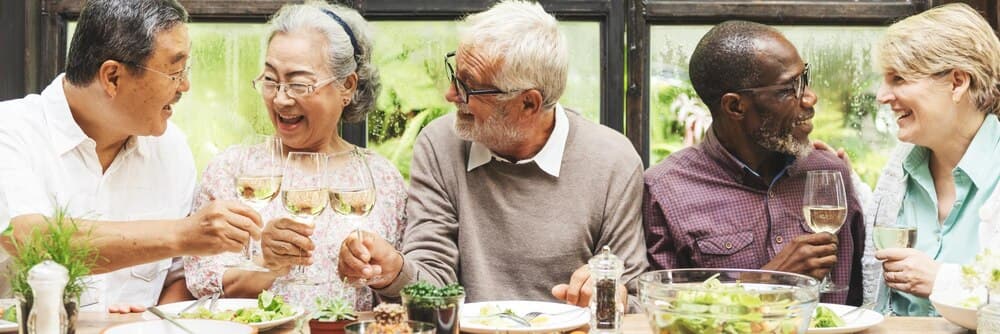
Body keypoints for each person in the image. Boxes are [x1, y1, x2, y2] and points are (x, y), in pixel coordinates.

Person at [336, 0, 648, 308]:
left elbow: (631, 297)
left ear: (528, 104)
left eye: (468, 86)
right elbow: (433, 281)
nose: (450, 94)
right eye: (455, 74)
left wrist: (608, 294)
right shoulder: (440, 144)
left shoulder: (613, 161)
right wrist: (393, 270)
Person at [0, 0, 263, 313]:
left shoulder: (171, 148)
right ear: (112, 77)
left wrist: (151, 321)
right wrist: (186, 232)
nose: (186, 85)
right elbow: (33, 240)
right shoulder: (11, 131)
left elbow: (178, 278)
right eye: (174, 71)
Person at [183, 1, 407, 310]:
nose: (280, 98)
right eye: (271, 80)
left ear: (347, 86)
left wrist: (376, 272)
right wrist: (268, 264)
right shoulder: (233, 170)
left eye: (299, 84)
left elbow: (405, 298)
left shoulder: (380, 178)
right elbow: (202, 291)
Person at [642, 20, 865, 305]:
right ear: (735, 106)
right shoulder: (666, 189)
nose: (810, 97)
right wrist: (767, 282)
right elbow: (665, 312)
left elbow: (862, 299)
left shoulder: (830, 174)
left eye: (804, 78)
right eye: (789, 89)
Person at [863, 3, 1000, 316]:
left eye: (898, 78)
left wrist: (943, 281)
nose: (882, 96)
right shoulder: (899, 168)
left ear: (957, 83)